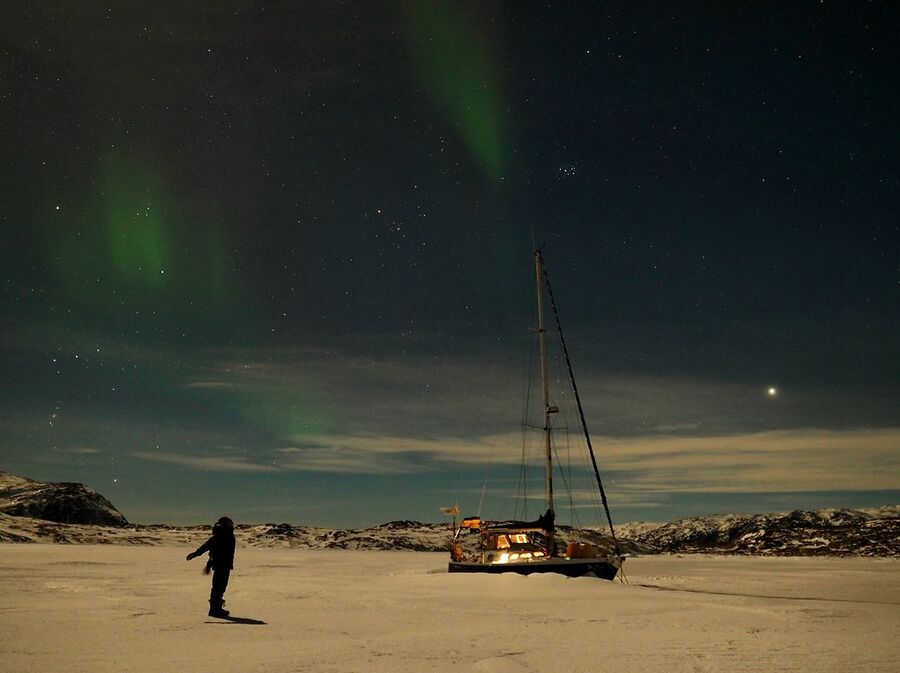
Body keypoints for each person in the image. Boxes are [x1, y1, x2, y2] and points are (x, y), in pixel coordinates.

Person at [186, 516, 236, 617]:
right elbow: (207, 546)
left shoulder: (223, 534)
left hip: (222, 564)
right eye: (230, 522)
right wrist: (195, 554)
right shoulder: (223, 534)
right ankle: (215, 609)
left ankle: (216, 608)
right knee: (219, 587)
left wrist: (196, 554)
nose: (232, 523)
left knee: (220, 587)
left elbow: (207, 546)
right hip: (221, 564)